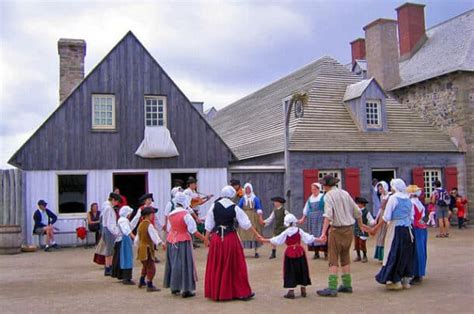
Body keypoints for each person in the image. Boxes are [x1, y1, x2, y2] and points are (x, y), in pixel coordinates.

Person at [204, 185, 260, 301]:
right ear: (232, 195)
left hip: (217, 239)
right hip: (230, 238)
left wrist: (206, 238)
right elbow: (246, 224)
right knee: (236, 264)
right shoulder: (234, 207)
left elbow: (209, 224)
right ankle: (240, 292)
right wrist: (257, 234)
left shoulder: (214, 206)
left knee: (217, 263)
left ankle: (217, 292)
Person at [315, 175, 368, 297]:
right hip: (348, 229)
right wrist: (360, 225)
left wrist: (323, 233)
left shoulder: (328, 196)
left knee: (333, 258)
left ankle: (332, 287)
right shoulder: (345, 193)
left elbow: (328, 216)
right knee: (345, 256)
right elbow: (357, 211)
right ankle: (347, 284)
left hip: (336, 230)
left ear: (326, 185)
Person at [258, 214, 317, 299]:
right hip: (299, 251)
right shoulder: (299, 230)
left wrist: (264, 240)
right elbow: (308, 238)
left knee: (290, 270)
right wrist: (319, 239)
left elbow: (276, 240)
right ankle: (303, 288)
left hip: (289, 252)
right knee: (301, 268)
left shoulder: (286, 232)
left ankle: (291, 291)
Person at [373, 179, 415, 290]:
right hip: (407, 230)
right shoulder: (408, 199)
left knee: (393, 252)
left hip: (395, 228)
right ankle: (405, 280)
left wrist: (376, 227)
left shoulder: (393, 198)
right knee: (406, 253)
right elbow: (411, 217)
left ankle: (395, 280)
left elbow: (386, 216)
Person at [163, 192, 206, 298]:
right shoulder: (186, 214)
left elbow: (169, 229)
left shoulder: (171, 214)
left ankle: (175, 287)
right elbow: (193, 230)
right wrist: (204, 239)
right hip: (183, 240)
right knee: (185, 263)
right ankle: (186, 289)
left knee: (174, 263)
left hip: (172, 240)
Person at [136, 207, 164, 292]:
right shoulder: (149, 225)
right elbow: (154, 236)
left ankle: (141, 281)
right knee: (151, 267)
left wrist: (138, 245)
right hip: (147, 248)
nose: (153, 216)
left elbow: (137, 238)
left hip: (141, 247)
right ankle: (149, 284)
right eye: (152, 214)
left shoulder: (140, 224)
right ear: (148, 215)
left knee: (145, 266)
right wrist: (161, 243)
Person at [298, 183, 327, 259]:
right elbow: (306, 209)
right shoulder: (310, 198)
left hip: (321, 218)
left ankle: (326, 253)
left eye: (314, 189)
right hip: (312, 219)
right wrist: (303, 219)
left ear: (318, 189)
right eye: (312, 189)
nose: (313, 191)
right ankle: (316, 253)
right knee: (313, 235)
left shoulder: (323, 197)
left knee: (322, 234)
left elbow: (327, 208)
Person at [407, 185, 427, 285]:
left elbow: (411, 217)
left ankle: (416, 273)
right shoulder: (419, 202)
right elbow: (422, 215)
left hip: (415, 227)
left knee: (416, 250)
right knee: (422, 250)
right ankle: (420, 272)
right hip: (422, 227)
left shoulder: (411, 202)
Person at [116, 206, 141, 285]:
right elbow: (127, 230)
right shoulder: (123, 220)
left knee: (127, 258)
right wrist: (134, 237)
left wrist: (138, 215)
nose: (130, 215)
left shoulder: (124, 220)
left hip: (125, 239)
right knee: (127, 258)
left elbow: (131, 225)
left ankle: (126, 277)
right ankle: (126, 278)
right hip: (124, 240)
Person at [238, 183, 264, 258]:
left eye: (248, 189)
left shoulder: (255, 198)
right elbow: (238, 207)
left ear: (251, 189)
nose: (247, 190)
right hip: (244, 215)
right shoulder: (243, 198)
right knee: (243, 233)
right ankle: (242, 251)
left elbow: (259, 208)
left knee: (254, 232)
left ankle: (256, 251)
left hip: (253, 216)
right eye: (246, 189)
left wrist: (260, 218)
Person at [101, 193, 122, 276]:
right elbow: (110, 223)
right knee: (109, 250)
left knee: (109, 249)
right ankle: (108, 267)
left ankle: (108, 266)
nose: (117, 203)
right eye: (116, 201)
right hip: (109, 230)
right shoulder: (109, 208)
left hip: (106, 229)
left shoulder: (107, 207)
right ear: (113, 200)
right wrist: (116, 232)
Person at [353, 197, 375, 263]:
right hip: (356, 228)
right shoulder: (356, 210)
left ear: (362, 204)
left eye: (358, 203)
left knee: (362, 243)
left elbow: (371, 220)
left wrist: (372, 224)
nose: (357, 204)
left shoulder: (366, 212)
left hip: (363, 229)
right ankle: (358, 255)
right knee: (356, 243)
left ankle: (364, 256)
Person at [373, 181, 390, 263]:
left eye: (381, 188)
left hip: (387, 217)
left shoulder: (389, 196)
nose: (380, 190)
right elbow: (381, 208)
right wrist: (376, 218)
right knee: (381, 235)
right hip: (382, 216)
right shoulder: (382, 196)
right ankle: (381, 256)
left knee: (386, 235)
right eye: (379, 188)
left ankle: (386, 256)